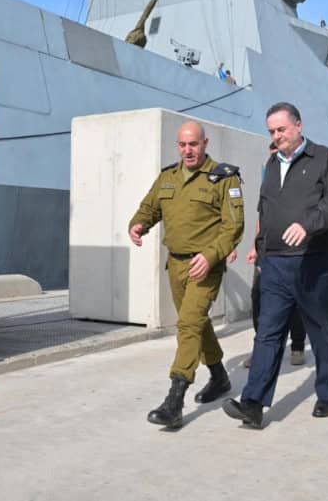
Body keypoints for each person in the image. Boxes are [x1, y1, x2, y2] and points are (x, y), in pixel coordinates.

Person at [224, 102, 328, 428]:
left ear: (298, 126)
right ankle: (253, 403)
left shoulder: (325, 159)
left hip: (313, 262)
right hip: (275, 264)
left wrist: (307, 224)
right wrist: (261, 253)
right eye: (272, 131)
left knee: (322, 331)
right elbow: (265, 211)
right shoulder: (271, 164)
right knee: (267, 333)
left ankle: (327, 393)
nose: (277, 136)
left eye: (282, 129)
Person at [128, 121, 244, 429]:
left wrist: (210, 255)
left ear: (205, 143)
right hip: (175, 265)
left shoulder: (224, 178)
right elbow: (150, 207)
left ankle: (174, 399)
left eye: (193, 144)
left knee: (188, 324)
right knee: (197, 323)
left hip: (205, 265)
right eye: (182, 145)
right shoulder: (168, 176)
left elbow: (233, 227)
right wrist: (138, 224)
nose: (187, 150)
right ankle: (219, 377)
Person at [246, 142, 307, 367]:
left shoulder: (300, 181)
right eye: (272, 156)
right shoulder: (268, 183)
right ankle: (261, 349)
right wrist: (255, 246)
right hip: (267, 251)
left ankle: (298, 345)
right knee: (259, 300)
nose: (275, 161)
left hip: (292, 252)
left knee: (294, 302)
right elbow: (262, 218)